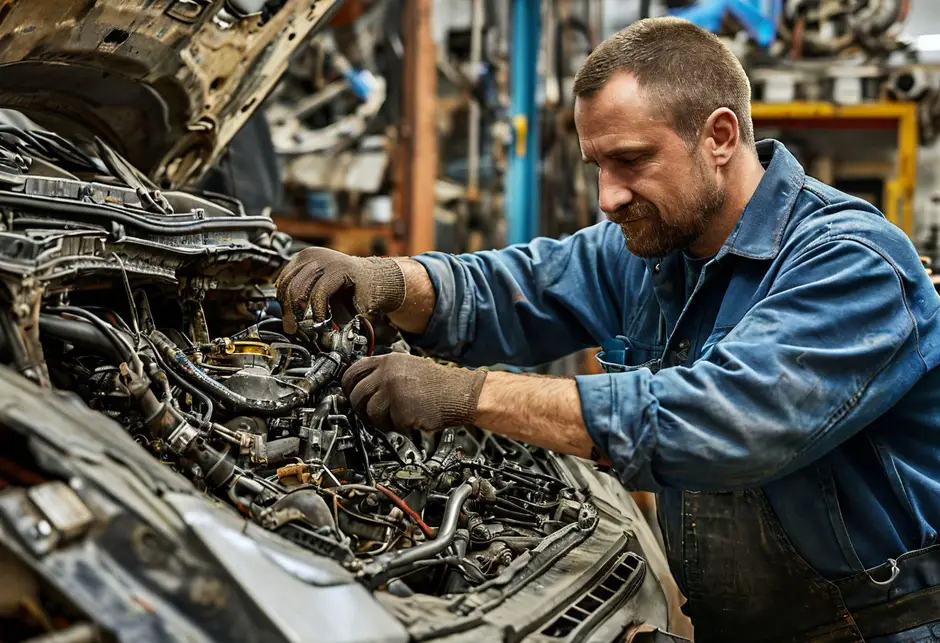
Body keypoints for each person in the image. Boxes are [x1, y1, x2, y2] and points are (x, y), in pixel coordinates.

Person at [276, 17, 940, 642]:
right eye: (597, 164)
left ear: (719, 136)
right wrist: (388, 281)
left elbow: (725, 419)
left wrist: (470, 395)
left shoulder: (852, 261)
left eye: (630, 160)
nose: (607, 196)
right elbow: (514, 288)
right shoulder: (647, 251)